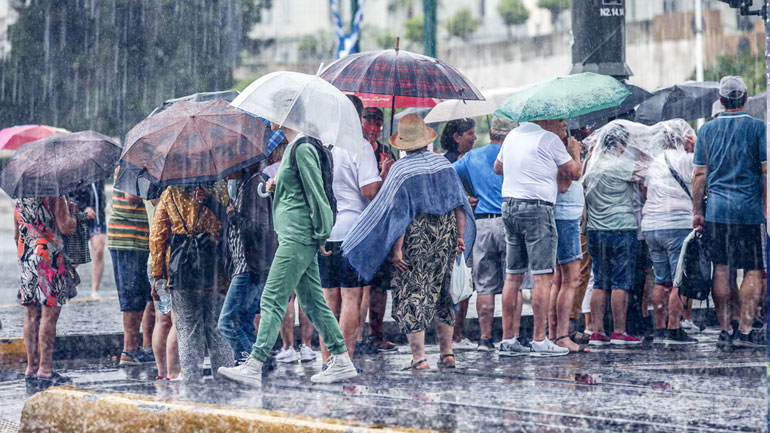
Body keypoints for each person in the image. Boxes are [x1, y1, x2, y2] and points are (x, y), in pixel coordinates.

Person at [218, 95, 358, 385]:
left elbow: (317, 194)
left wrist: (322, 234)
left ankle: (254, 364)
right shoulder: (296, 148)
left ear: (286, 114)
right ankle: (342, 360)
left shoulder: (302, 147)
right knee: (312, 302)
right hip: (295, 234)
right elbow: (299, 190)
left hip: (297, 236)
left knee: (272, 298)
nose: (269, 118)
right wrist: (275, 185)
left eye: (272, 112)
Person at [343, 114, 475, 370]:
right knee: (444, 294)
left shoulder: (401, 170)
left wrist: (397, 250)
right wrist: (459, 237)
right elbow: (459, 203)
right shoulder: (443, 164)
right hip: (446, 236)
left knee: (413, 294)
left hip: (417, 240)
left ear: (402, 143)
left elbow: (400, 214)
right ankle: (447, 353)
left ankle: (420, 358)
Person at [494, 118, 581, 356]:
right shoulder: (549, 139)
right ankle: (540, 340)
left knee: (513, 276)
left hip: (509, 206)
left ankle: (507, 339)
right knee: (543, 277)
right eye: (561, 122)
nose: (564, 126)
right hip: (537, 209)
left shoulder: (512, 136)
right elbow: (574, 172)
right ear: (548, 120)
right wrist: (574, 152)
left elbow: (498, 167)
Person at [692, 76, 767, 348]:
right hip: (749, 211)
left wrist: (698, 211)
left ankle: (726, 330)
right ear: (746, 99)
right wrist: (766, 209)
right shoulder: (759, 128)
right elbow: (766, 172)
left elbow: (700, 175)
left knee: (721, 270)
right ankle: (746, 330)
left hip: (717, 212)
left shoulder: (706, 132)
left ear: (721, 101)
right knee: (754, 270)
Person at [318, 95, 388, 366]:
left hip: (325, 231)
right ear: (357, 118)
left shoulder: (321, 146)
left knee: (327, 300)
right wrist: (383, 174)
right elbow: (369, 191)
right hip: (353, 233)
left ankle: (326, 360)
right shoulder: (359, 146)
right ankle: (344, 360)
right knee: (351, 298)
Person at [196, 161, 278, 365]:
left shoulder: (254, 185)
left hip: (249, 266)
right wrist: (210, 202)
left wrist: (232, 214)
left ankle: (252, 367)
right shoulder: (243, 185)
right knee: (243, 322)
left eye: (227, 164)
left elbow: (260, 229)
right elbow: (234, 219)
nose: (223, 170)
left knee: (227, 322)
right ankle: (258, 371)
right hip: (244, 265)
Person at [149, 183, 234, 380]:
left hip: (182, 270)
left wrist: (157, 275)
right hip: (215, 269)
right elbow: (230, 223)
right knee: (218, 329)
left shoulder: (171, 193)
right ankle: (226, 384)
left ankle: (191, 383)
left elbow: (157, 236)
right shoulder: (219, 187)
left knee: (187, 330)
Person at [452, 116, 515, 352]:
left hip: (482, 225)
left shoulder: (471, 157)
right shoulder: (514, 156)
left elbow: (449, 176)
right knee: (513, 282)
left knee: (484, 285)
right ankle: (511, 337)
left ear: (491, 132)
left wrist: (465, 198)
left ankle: (485, 339)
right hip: (510, 222)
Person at [583, 122, 643, 346]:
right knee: (620, 282)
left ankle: (597, 331)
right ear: (619, 143)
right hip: (620, 228)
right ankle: (619, 331)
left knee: (600, 281)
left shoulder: (591, 166)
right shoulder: (621, 165)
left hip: (595, 230)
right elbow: (648, 173)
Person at [641, 119, 698, 345]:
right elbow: (702, 178)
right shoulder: (687, 160)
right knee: (679, 280)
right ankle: (675, 329)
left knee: (661, 280)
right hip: (677, 224)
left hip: (652, 226)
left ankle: (660, 328)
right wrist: (695, 149)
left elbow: (645, 189)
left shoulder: (654, 162)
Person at [15, 195, 76, 389]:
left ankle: (31, 367)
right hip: (49, 255)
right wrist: (73, 214)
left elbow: (16, 234)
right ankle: (46, 368)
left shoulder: (19, 197)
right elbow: (67, 227)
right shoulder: (54, 194)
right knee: (50, 314)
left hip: (26, 254)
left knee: (32, 314)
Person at [360, 106, 398, 352]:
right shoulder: (354, 150)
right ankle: (356, 334)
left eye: (378, 123)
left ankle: (376, 332)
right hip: (358, 223)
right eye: (369, 122)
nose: (373, 128)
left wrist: (389, 171)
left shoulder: (387, 152)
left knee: (379, 285)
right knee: (357, 285)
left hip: (380, 225)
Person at [548, 131, 590, 353]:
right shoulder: (557, 153)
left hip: (568, 216)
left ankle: (556, 333)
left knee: (560, 279)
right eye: (562, 125)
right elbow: (563, 185)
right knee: (570, 278)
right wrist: (573, 155)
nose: (566, 130)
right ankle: (562, 335)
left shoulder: (557, 151)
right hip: (564, 217)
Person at [107, 177, 156, 366]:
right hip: (127, 237)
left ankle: (145, 348)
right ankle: (128, 350)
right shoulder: (132, 163)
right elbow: (131, 196)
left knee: (148, 297)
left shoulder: (143, 161)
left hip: (142, 237)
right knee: (132, 297)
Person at [439, 117, 477, 350]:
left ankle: (455, 334)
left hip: (460, 228)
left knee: (462, 281)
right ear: (457, 137)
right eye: (470, 133)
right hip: (456, 230)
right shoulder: (448, 163)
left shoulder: (469, 160)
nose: (474, 137)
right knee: (459, 282)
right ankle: (456, 334)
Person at [145, 197, 181, 381]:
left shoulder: (148, 177)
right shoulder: (164, 188)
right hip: (171, 260)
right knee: (176, 320)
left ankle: (164, 373)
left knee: (163, 320)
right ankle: (173, 373)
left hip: (156, 259)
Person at [69, 181, 106, 298]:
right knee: (75, 259)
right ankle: (68, 286)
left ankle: (95, 290)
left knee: (99, 250)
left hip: (97, 218)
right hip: (80, 220)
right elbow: (69, 198)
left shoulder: (97, 173)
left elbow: (100, 195)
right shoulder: (74, 173)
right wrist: (83, 208)